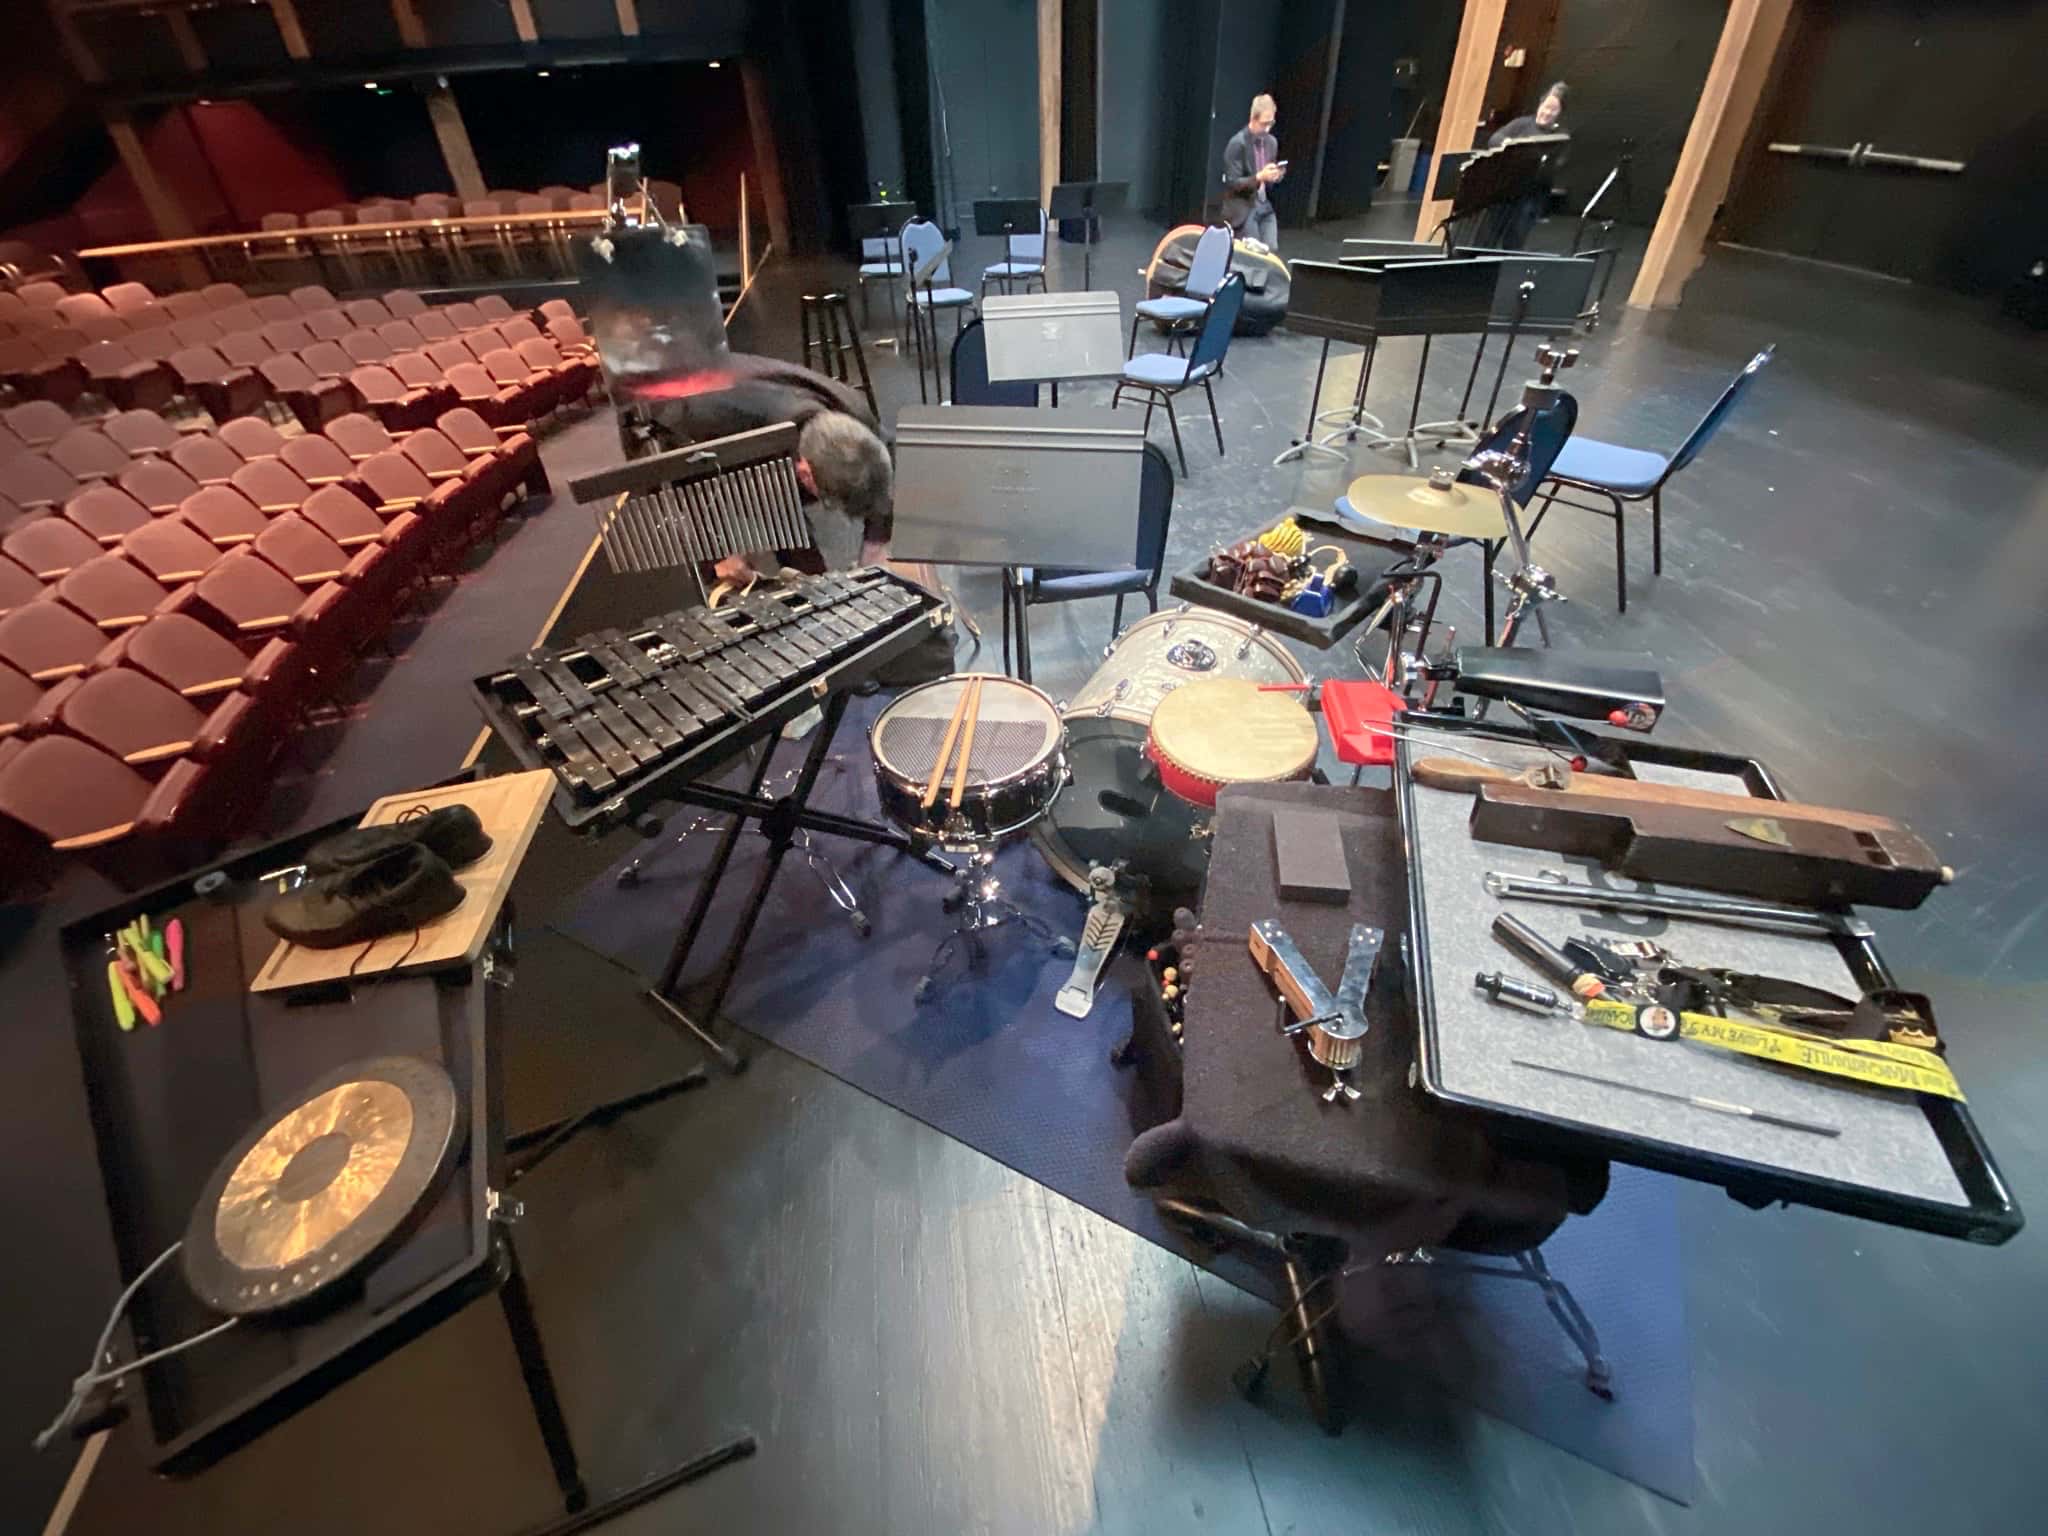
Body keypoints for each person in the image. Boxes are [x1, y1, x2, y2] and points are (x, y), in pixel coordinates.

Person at [1485, 80, 1571, 248]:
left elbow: (1557, 164)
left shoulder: (1561, 136)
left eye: (1553, 110)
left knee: (1514, 240)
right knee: (1487, 237)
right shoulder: (1522, 123)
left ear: (1560, 112)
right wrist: (1508, 143)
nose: (1546, 112)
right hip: (1503, 191)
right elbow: (1494, 139)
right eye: (1545, 107)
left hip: (1530, 196)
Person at [1220, 93, 1285, 253]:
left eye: (1271, 123)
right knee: (1254, 254)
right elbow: (1233, 183)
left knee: (1272, 250)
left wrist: (1275, 176)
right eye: (1264, 124)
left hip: (1263, 204)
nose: (1268, 129)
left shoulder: (1271, 142)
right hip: (1243, 207)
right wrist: (1259, 177)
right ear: (1253, 119)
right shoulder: (1237, 144)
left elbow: (1268, 178)